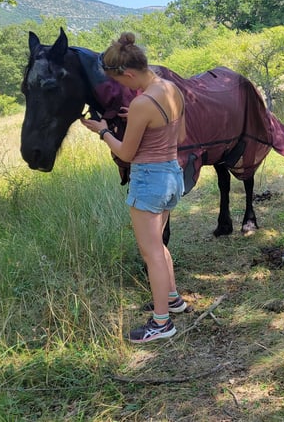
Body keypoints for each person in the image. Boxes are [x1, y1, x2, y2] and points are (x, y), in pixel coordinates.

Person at [81, 32, 188, 343]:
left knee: (150, 250)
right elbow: (176, 135)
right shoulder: (171, 89)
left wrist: (102, 131)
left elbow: (125, 154)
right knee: (159, 245)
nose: (123, 89)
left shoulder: (142, 102)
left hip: (149, 179)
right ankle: (172, 299)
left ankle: (161, 323)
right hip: (171, 174)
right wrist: (140, 119)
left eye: (121, 82)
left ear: (128, 73)